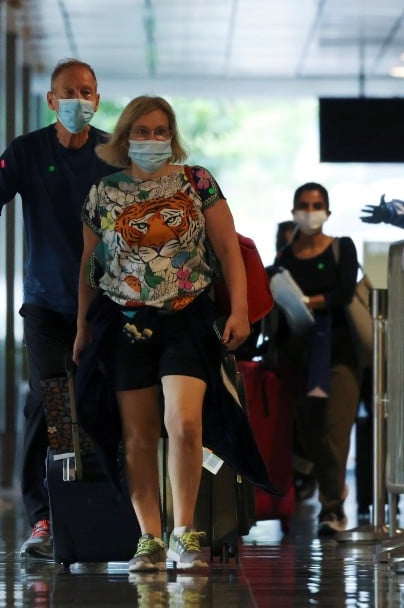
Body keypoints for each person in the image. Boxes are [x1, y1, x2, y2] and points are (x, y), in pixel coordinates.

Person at [73, 95, 272, 572]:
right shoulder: (104, 193)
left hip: (186, 315)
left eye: (161, 130)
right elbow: (89, 266)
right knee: (138, 434)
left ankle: (186, 531)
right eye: (141, 131)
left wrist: (240, 311)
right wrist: (82, 326)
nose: (152, 140)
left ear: (173, 136)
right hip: (125, 321)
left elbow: (227, 248)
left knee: (184, 423)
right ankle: (150, 538)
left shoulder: (196, 182)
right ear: (124, 138)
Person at [0, 58, 116, 559]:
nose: (80, 100)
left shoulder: (111, 154)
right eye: (70, 92)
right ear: (52, 100)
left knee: (91, 401)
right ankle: (44, 517)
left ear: (98, 99)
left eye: (89, 91)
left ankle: (103, 509)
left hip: (104, 305)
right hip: (47, 305)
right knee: (52, 398)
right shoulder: (29, 152)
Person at [273, 183, 361, 535]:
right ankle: (331, 490)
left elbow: (343, 292)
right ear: (294, 210)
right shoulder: (285, 257)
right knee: (309, 435)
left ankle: (332, 508)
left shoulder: (341, 248)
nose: (311, 211)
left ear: (327, 210)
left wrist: (309, 303)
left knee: (334, 433)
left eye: (317, 204)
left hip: (338, 355)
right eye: (304, 205)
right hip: (298, 358)